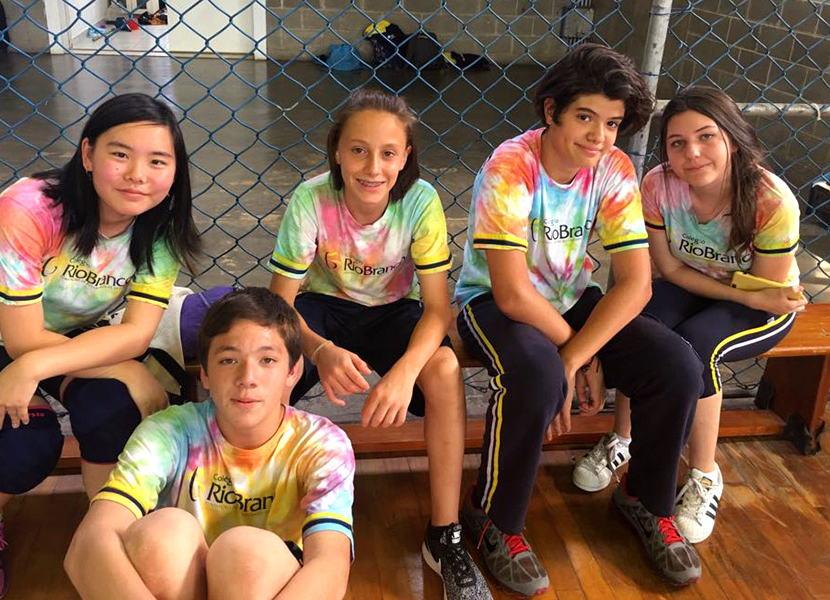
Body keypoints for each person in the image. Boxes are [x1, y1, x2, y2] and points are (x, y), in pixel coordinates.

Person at [453, 43, 705, 595]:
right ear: (552, 111)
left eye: (612, 123)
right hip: (493, 302)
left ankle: (645, 499)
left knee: (676, 365)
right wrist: (576, 355)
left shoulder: (612, 168)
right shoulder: (511, 166)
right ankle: (493, 516)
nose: (600, 137)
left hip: (570, 296)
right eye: (586, 117)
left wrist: (577, 354)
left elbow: (636, 283)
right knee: (538, 374)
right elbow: (512, 293)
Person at [0, 93, 200, 600]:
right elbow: (21, 340)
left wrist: (119, 367)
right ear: (87, 154)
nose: (137, 175)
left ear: (175, 171)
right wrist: (123, 367)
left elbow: (136, 333)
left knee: (111, 411)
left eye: (157, 161)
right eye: (120, 154)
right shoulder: (30, 208)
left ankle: (104, 530)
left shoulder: (160, 228)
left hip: (71, 337)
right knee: (28, 446)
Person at [268, 88, 492, 600]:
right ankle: (267, 511)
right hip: (325, 309)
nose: (373, 167)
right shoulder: (312, 198)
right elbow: (281, 304)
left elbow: (437, 309)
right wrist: (319, 350)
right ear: (337, 152)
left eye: (388, 153)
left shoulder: (420, 201)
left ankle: (445, 534)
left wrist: (405, 372)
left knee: (443, 369)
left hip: (394, 311)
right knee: (275, 355)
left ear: (405, 157)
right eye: (358, 150)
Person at [572, 86, 805, 544]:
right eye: (677, 143)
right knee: (640, 327)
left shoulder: (772, 201)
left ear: (732, 138)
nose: (692, 153)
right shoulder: (659, 185)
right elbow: (670, 268)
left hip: (762, 303)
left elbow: (762, 292)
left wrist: (750, 299)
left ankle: (703, 474)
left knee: (698, 347)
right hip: (690, 283)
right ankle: (623, 440)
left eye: (706, 137)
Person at [65, 287, 355, 600]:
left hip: (268, 580)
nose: (247, 377)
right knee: (161, 533)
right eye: (228, 360)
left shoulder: (320, 444)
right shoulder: (170, 432)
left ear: (293, 372)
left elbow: (330, 564)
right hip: (176, 583)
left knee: (246, 553)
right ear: (204, 373)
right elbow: (89, 542)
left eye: (267, 360)